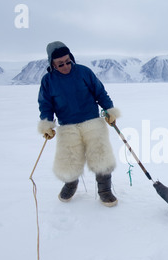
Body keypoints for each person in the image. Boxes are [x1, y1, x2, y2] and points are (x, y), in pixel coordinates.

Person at [37, 41, 120, 207]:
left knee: (100, 156)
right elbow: (46, 104)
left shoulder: (84, 72)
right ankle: (70, 183)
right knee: (69, 158)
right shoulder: (48, 81)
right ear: (52, 64)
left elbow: (100, 92)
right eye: (60, 64)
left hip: (92, 121)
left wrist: (109, 110)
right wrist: (47, 124)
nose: (66, 66)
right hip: (67, 125)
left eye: (68, 61)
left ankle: (105, 190)